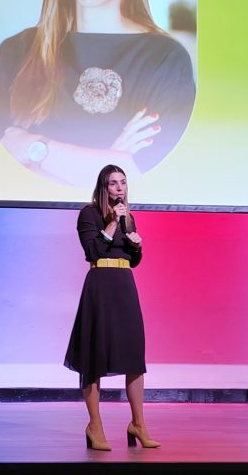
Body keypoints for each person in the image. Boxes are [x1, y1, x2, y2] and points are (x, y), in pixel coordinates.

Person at [0, 0, 196, 187]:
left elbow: (140, 175)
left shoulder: (165, 58)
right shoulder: (18, 50)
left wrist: (36, 148)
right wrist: (107, 164)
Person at [64, 165, 159, 451]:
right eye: (113, 184)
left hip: (124, 284)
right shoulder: (89, 213)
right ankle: (95, 426)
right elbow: (92, 251)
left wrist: (137, 246)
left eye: (123, 183)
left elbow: (133, 260)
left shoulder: (130, 217)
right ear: (103, 188)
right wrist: (112, 225)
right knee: (94, 353)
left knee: (133, 353)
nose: (120, 188)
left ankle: (138, 424)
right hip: (100, 285)